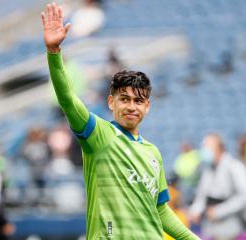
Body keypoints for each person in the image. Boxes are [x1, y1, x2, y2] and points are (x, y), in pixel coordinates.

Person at [41, 3, 199, 239]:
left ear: (147, 107)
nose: (131, 106)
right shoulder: (98, 135)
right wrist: (54, 53)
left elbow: (161, 210)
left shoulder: (152, 152)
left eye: (138, 101)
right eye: (124, 99)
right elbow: (67, 99)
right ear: (111, 102)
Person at [189, 134, 246, 240]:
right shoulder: (207, 169)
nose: (204, 150)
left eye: (207, 147)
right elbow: (202, 195)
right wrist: (196, 210)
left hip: (230, 228)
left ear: (219, 148)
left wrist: (219, 211)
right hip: (211, 229)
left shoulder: (234, 166)